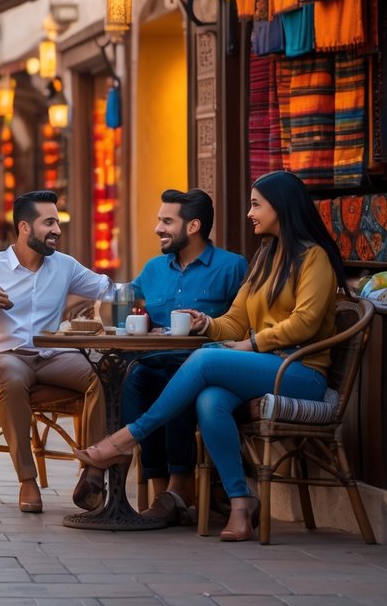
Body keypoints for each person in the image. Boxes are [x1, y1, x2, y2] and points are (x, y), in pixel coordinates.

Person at [75, 171, 345, 542]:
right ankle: (240, 502)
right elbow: (235, 320)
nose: (250, 212)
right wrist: (207, 325)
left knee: (202, 360)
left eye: (255, 205)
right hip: (265, 367)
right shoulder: (267, 257)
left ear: (280, 207)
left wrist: (251, 345)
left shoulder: (313, 258)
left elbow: (306, 321)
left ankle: (124, 440)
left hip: (300, 373)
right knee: (210, 399)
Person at [0, 190, 115, 514]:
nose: (57, 230)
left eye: (58, 222)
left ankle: (93, 471)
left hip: (51, 357)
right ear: (25, 227)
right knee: (11, 377)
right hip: (3, 358)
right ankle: (27, 480)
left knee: (104, 375)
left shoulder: (64, 266)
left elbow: (110, 289)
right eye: (49, 222)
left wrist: (150, 289)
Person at [123, 189, 247, 524]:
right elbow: (123, 307)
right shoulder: (153, 269)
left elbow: (245, 324)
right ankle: (160, 488)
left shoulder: (232, 267)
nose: (157, 229)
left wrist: (206, 327)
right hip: (156, 361)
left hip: (208, 367)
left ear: (192, 226)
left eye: (166, 221)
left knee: (178, 381)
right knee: (134, 378)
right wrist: (138, 324)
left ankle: (179, 488)